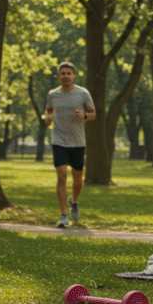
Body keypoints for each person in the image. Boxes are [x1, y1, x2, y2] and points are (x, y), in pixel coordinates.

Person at [44, 61, 96, 228]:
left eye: (68, 73)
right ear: (59, 76)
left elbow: (94, 114)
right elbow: (49, 109)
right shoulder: (52, 94)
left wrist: (85, 116)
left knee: (78, 179)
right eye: (62, 73)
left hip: (77, 142)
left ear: (73, 76)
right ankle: (64, 215)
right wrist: (48, 117)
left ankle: (74, 201)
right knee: (62, 176)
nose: (65, 76)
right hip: (58, 140)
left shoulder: (83, 93)